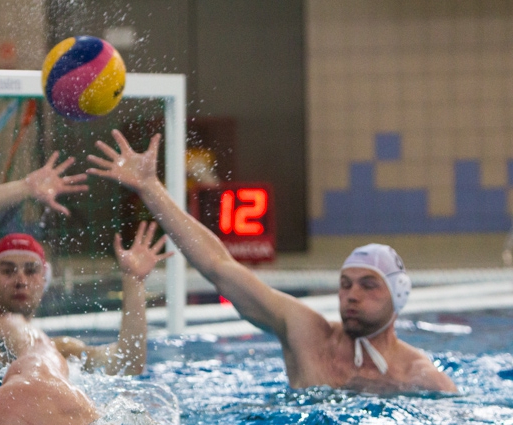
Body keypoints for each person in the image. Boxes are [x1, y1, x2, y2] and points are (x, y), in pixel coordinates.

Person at [86, 130, 457, 394]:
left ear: (399, 296)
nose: (352, 295)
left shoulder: (418, 376)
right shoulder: (306, 333)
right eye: (346, 284)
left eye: (368, 284)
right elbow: (219, 267)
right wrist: (151, 189)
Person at [0, 151, 171, 375]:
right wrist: (24, 188)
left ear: (45, 280)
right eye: (8, 271)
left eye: (31, 271)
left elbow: (127, 363)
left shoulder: (55, 352)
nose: (20, 280)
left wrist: (134, 282)